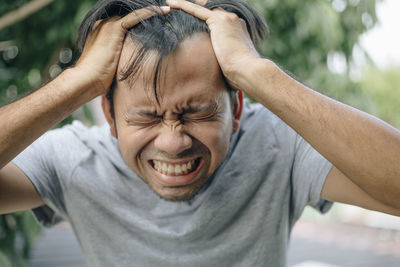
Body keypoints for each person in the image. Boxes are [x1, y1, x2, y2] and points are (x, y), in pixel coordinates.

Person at [0, 0, 399, 266]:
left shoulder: (281, 146)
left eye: (197, 113)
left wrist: (260, 74)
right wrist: (76, 82)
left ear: (237, 107)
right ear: (109, 113)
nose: (173, 142)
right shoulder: (72, 159)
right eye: (145, 118)